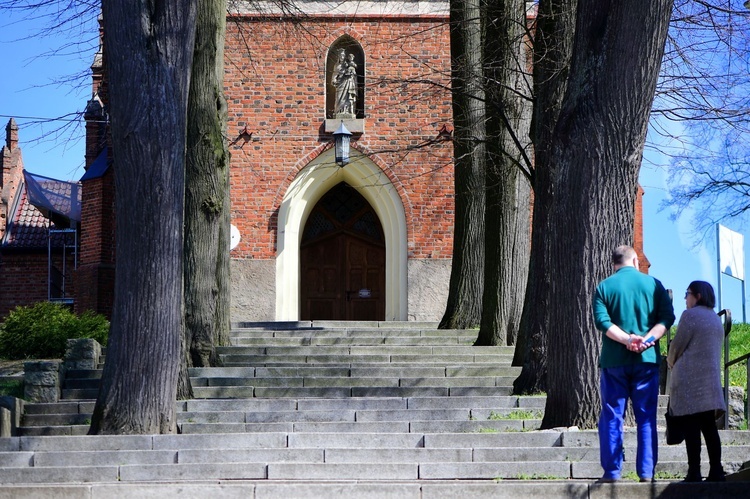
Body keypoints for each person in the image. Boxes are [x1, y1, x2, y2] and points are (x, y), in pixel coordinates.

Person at [593, 245, 675, 483]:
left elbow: (602, 321)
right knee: (646, 417)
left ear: (614, 264)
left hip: (614, 361)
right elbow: (667, 318)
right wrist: (646, 340)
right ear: (636, 262)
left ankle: (612, 472)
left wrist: (628, 339)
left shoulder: (604, 287)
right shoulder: (654, 285)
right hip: (646, 361)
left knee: (612, 415)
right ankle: (647, 472)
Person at [667, 280, 726, 482]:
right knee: (709, 428)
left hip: (690, 382)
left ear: (697, 296)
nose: (685, 298)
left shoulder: (690, 316)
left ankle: (694, 471)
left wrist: (670, 360)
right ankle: (717, 470)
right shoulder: (715, 319)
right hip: (710, 383)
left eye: (688, 293)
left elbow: (677, 345)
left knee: (692, 428)